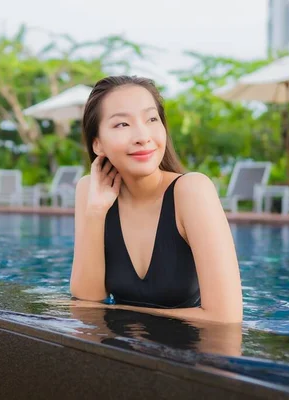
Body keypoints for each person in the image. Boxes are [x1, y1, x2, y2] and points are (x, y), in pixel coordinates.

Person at [69, 75, 243, 324]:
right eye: (122, 125)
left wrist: (121, 312)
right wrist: (96, 211)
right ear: (98, 144)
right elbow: (88, 300)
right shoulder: (90, 191)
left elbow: (226, 318)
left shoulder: (191, 191)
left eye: (151, 119)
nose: (142, 136)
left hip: (188, 353)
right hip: (117, 352)